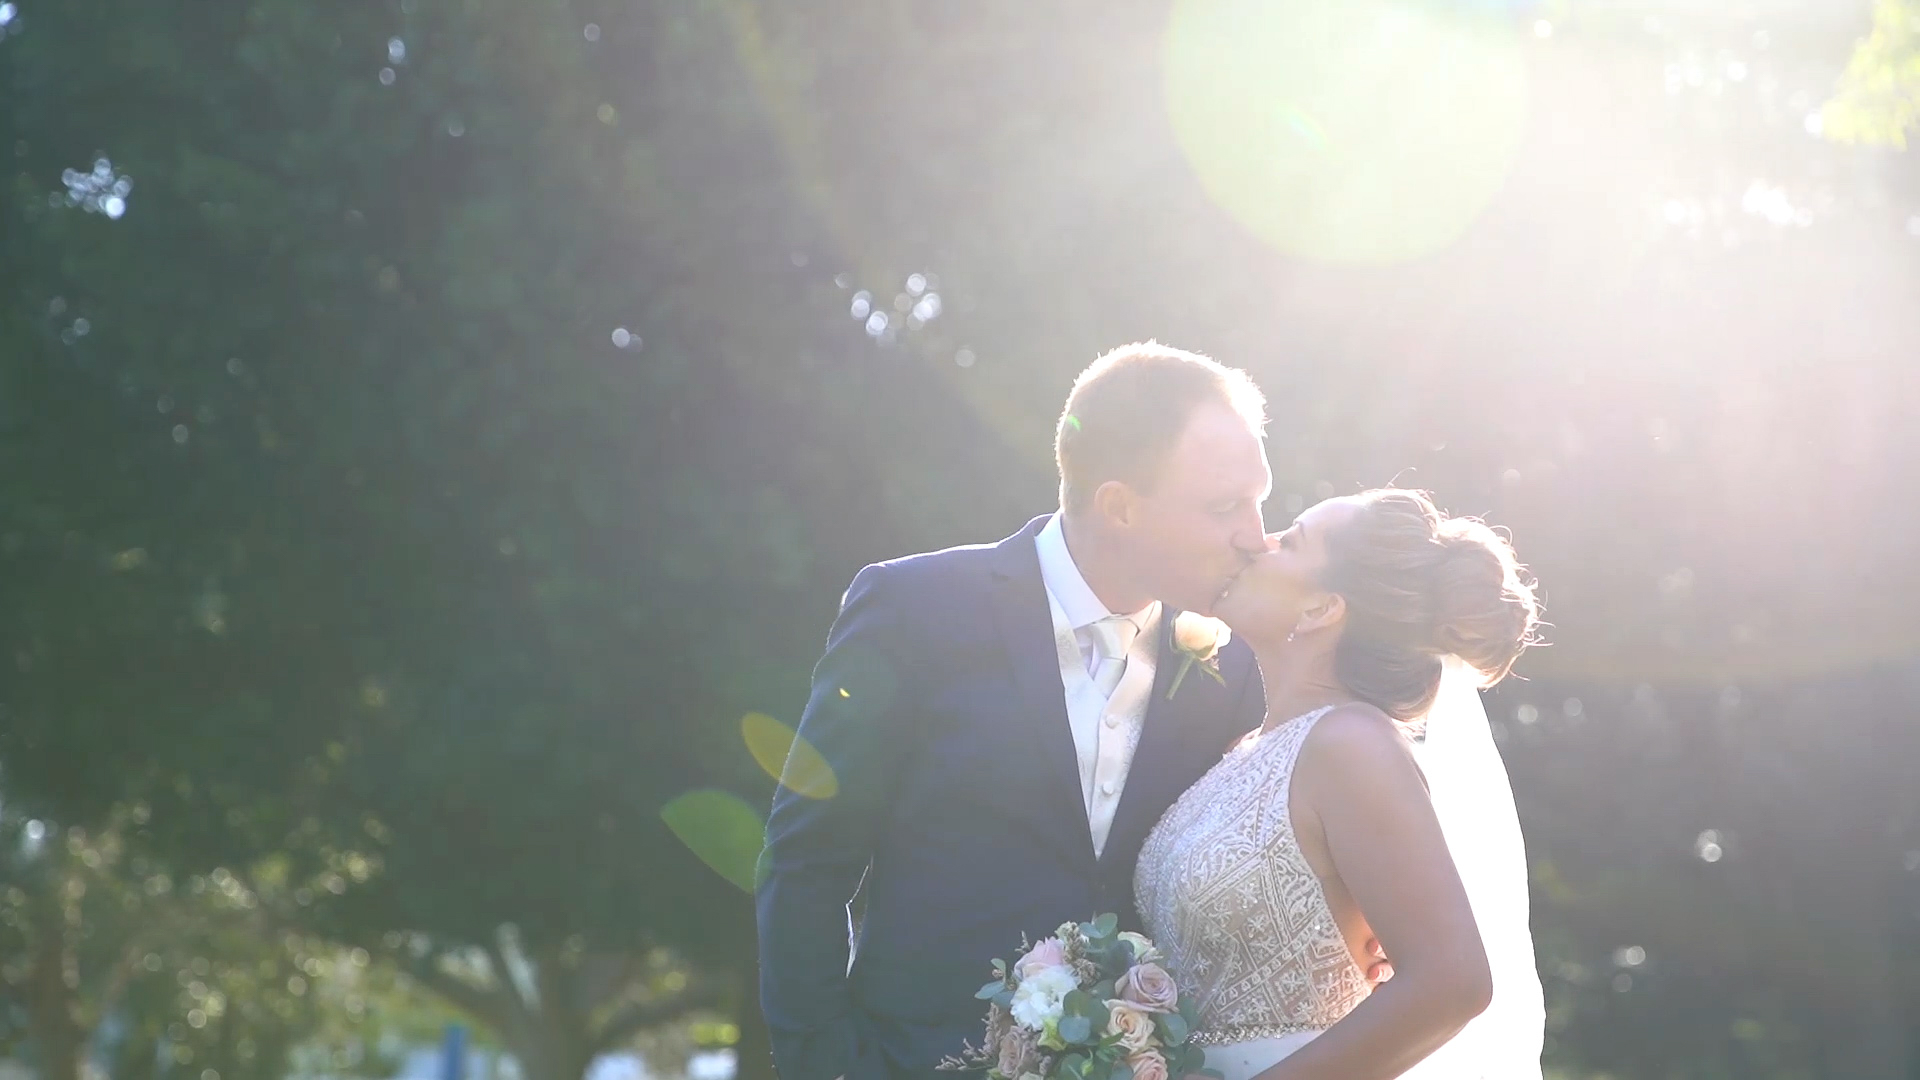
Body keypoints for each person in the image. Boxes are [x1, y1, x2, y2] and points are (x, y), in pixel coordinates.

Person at [755, 343, 1390, 1080]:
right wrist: (826, 1065)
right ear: (1119, 506)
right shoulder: (912, 609)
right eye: (1224, 507)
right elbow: (806, 857)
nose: (1256, 534)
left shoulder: (1241, 665)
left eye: (1259, 498)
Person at [1135, 488, 1545, 1080]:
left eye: (1291, 539)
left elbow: (1454, 981)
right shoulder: (1245, 749)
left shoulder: (1352, 744)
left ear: (1321, 608)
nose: (1261, 541)